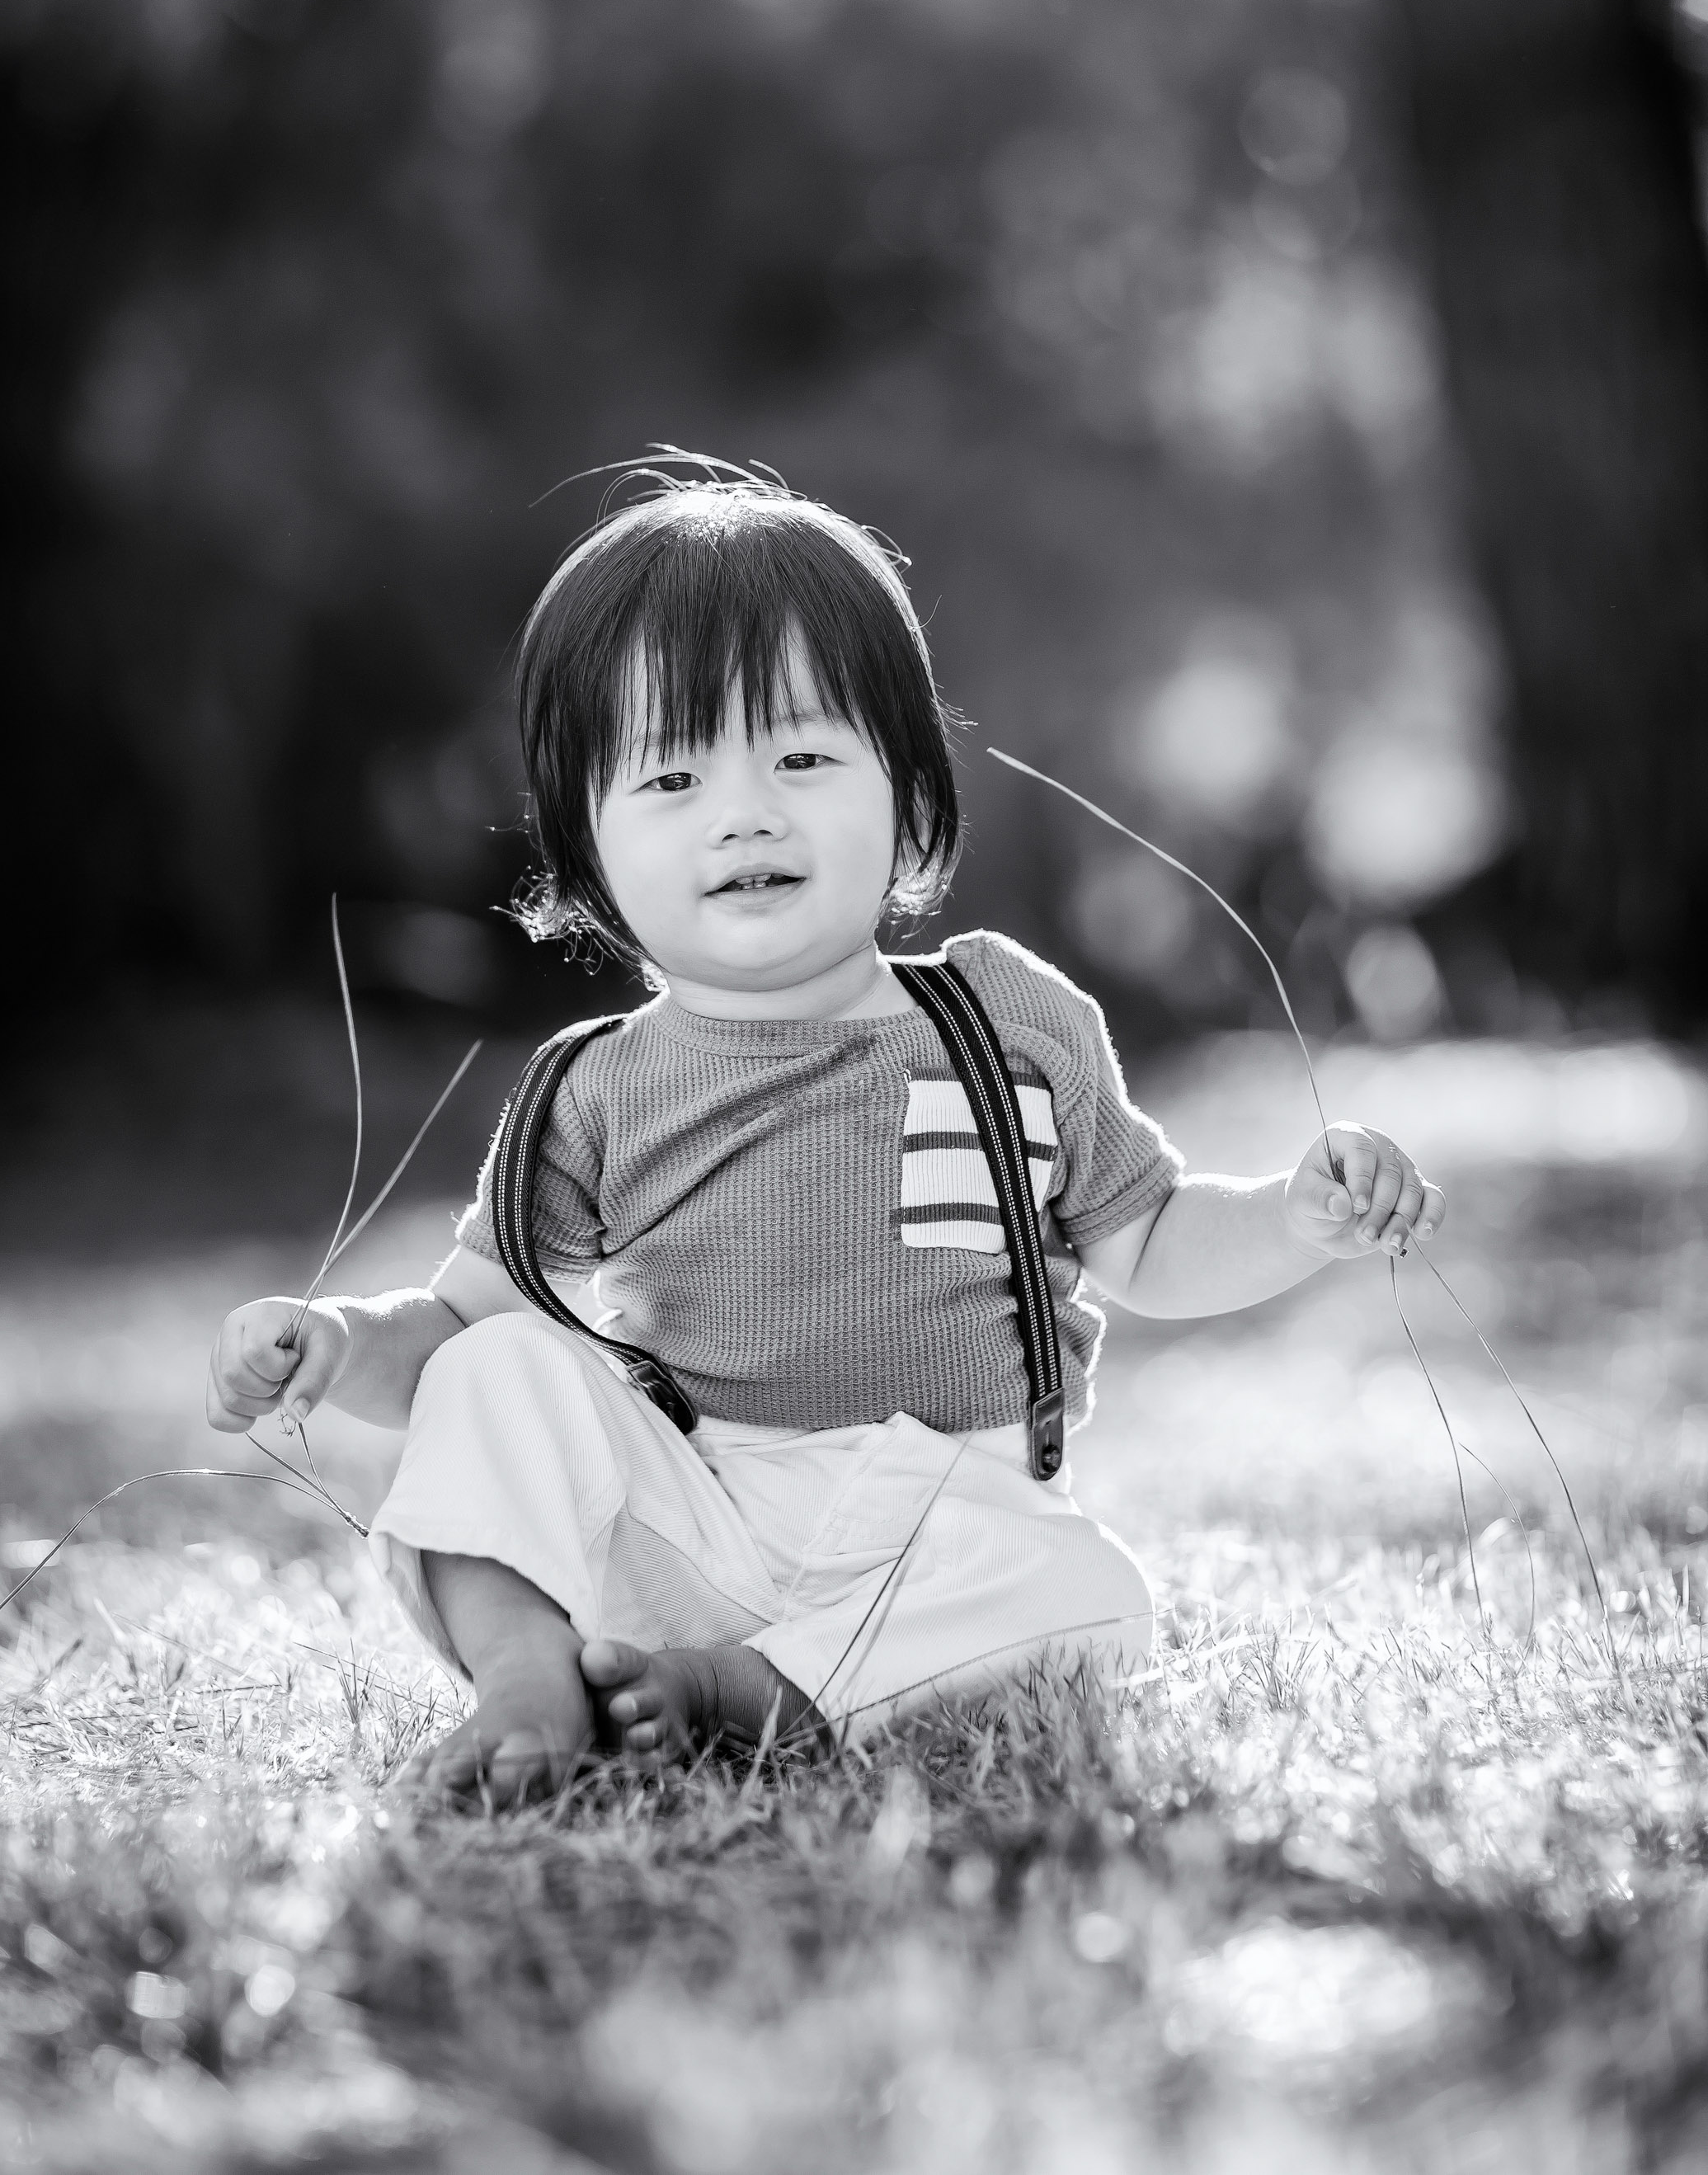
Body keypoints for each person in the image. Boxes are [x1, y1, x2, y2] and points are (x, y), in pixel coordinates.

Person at [207, 477, 1444, 1802]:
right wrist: (339, 1347)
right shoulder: (594, 1090)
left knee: (1089, 1594)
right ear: (586, 845)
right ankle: (528, 1678)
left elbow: (1144, 1234)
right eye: (674, 776)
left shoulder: (1005, 1022)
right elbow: (453, 1344)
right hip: (696, 1510)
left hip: (940, 1525)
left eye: (800, 759)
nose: (748, 813)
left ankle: (747, 1696)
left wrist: (1293, 1219)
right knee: (497, 1371)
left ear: (910, 800)